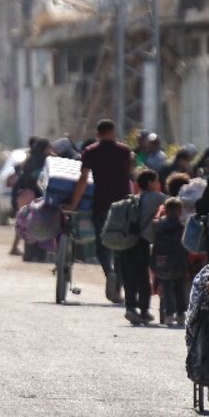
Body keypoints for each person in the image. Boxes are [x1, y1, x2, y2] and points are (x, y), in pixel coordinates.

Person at [67, 120, 135, 301]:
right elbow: (130, 175)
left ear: (98, 134)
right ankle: (118, 289)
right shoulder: (125, 151)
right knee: (121, 246)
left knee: (102, 245)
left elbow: (83, 179)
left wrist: (74, 203)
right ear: (113, 132)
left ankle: (108, 272)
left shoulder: (91, 151)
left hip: (102, 203)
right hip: (124, 205)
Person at [115, 169, 165, 325]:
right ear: (150, 183)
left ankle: (130, 307)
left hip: (126, 242)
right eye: (156, 181)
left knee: (129, 276)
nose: (158, 184)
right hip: (142, 242)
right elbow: (174, 203)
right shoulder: (156, 197)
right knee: (143, 276)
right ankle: (144, 310)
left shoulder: (133, 199)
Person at [151, 197, 190, 327]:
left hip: (162, 261)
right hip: (179, 262)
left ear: (165, 211)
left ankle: (168, 314)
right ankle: (180, 314)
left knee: (166, 288)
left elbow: (154, 244)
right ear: (179, 211)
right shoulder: (182, 227)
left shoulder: (158, 226)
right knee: (179, 289)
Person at [10, 138, 50, 260]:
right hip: (40, 198)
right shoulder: (46, 162)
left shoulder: (29, 160)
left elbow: (22, 178)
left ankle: (29, 254)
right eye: (49, 147)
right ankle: (40, 255)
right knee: (41, 226)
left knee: (29, 225)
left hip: (27, 198)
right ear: (44, 149)